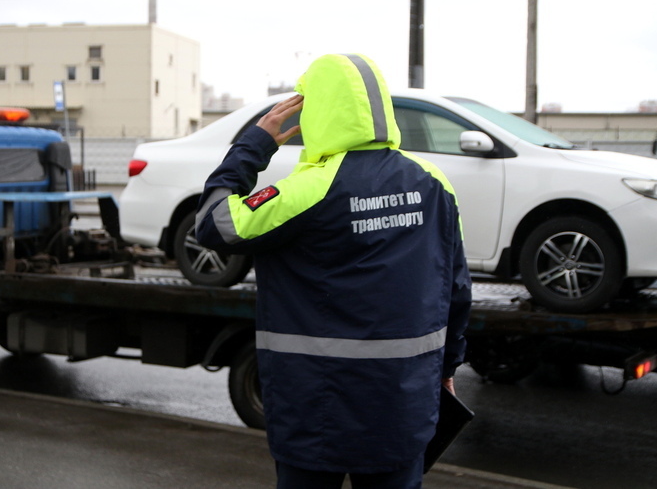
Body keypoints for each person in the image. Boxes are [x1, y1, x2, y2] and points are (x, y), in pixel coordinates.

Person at [195, 53, 472, 489]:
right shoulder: (435, 183)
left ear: (318, 109)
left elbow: (213, 225)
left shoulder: (307, 190)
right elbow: (455, 286)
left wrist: (254, 145)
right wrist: (449, 365)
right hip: (402, 404)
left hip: (313, 408)